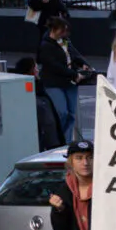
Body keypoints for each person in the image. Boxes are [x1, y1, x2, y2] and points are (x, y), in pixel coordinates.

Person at [35, 15, 88, 147]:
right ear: (55, 29)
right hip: (54, 82)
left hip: (69, 82)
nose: (65, 33)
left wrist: (83, 64)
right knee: (61, 112)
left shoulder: (65, 41)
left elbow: (74, 54)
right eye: (63, 31)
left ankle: (66, 141)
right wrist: (73, 74)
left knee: (71, 114)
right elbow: (54, 66)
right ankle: (57, 140)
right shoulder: (45, 45)